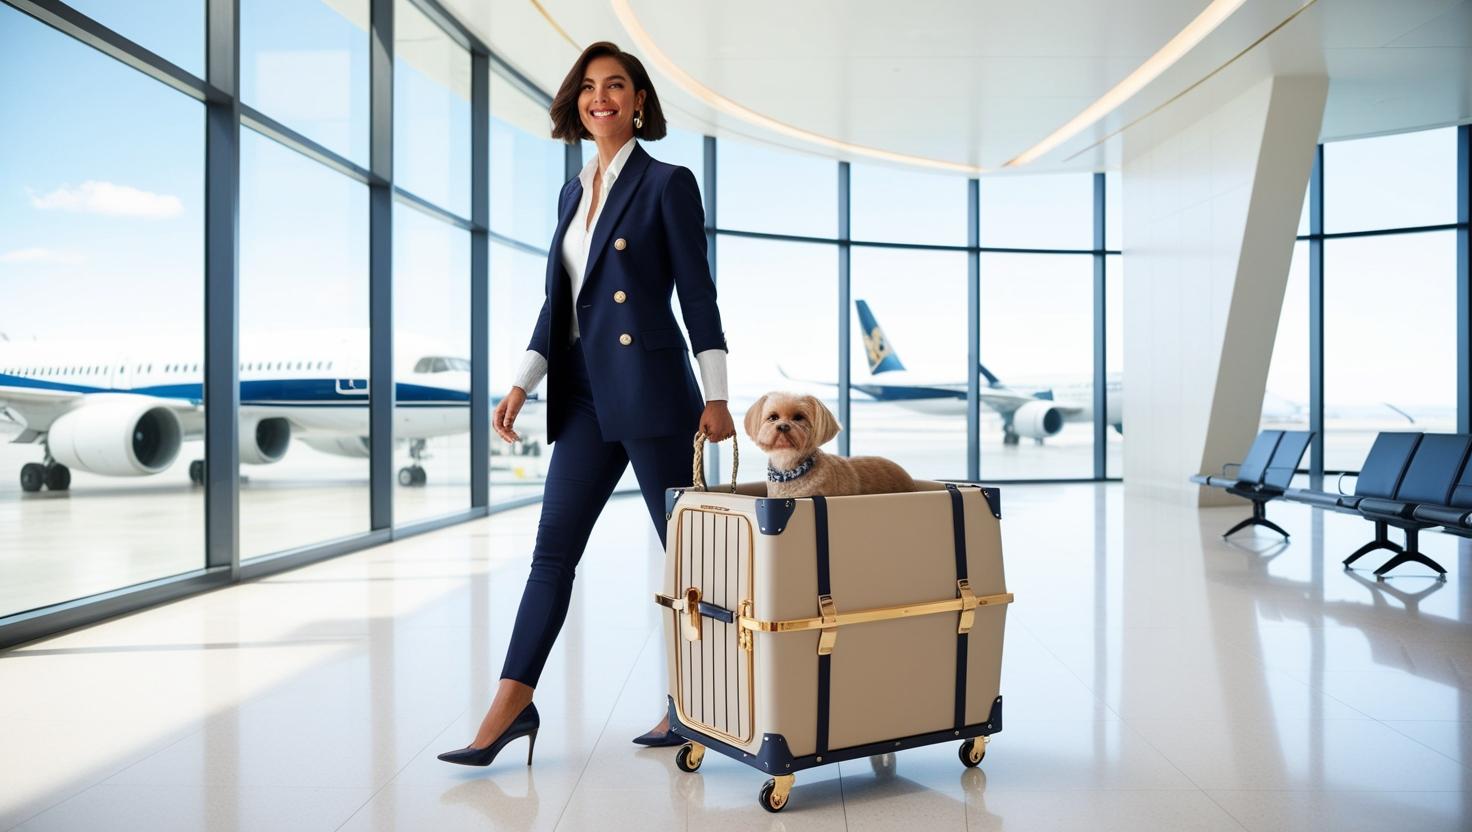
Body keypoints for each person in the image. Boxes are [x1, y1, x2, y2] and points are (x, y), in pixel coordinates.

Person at [437, 41, 735, 767]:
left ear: (638, 102)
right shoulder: (572, 192)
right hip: (582, 398)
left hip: (656, 395)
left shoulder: (669, 182)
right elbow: (559, 304)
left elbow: (697, 293)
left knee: (691, 562)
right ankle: (509, 707)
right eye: (589, 87)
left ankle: (698, 704)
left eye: (617, 85)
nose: (601, 96)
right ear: (577, 102)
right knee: (552, 555)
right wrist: (521, 383)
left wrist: (718, 393)